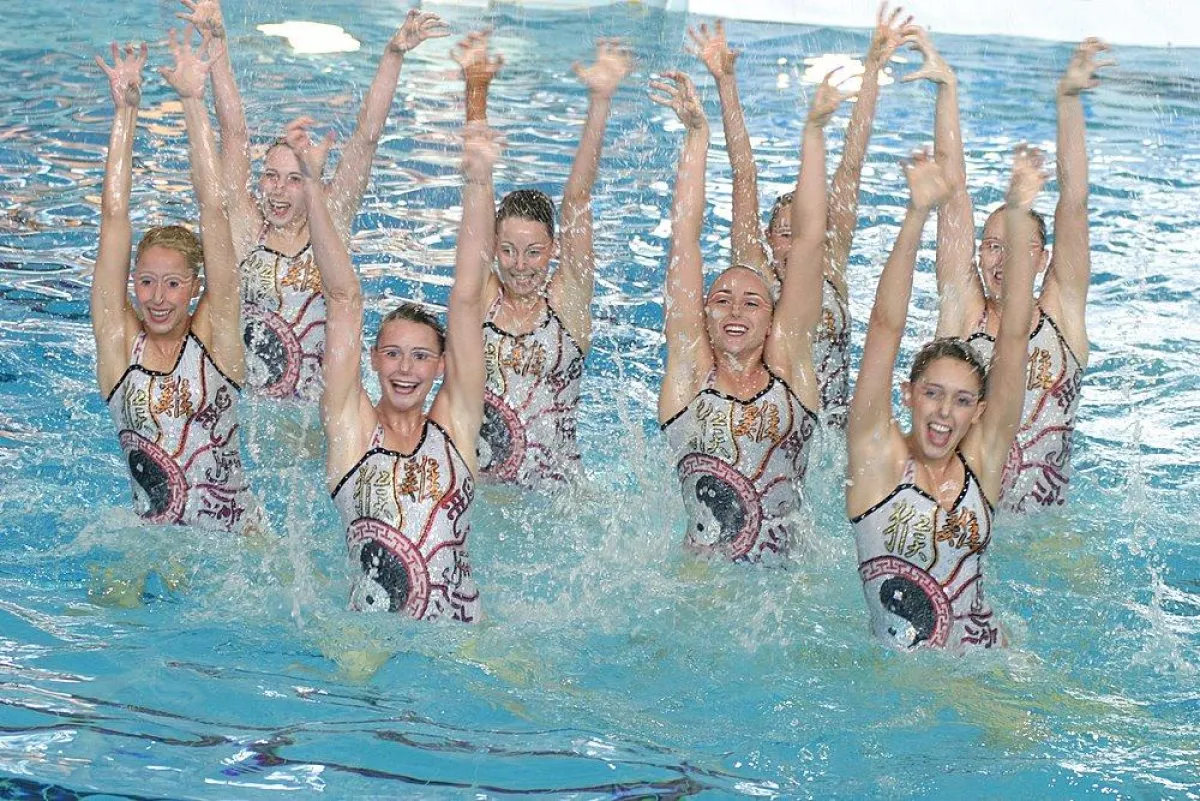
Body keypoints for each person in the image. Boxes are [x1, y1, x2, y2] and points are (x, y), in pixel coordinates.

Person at [177, 0, 449, 402]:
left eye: (293, 179)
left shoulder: (330, 226)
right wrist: (217, 40)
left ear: (311, 185)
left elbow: (366, 138)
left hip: (320, 409)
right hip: (253, 405)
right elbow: (233, 133)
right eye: (270, 176)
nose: (279, 189)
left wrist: (393, 55)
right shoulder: (248, 230)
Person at [292, 108, 495, 621]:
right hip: (369, 639)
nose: (406, 369)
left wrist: (479, 180)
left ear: (442, 367)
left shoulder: (457, 426)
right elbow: (342, 298)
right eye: (394, 353)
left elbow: (467, 299)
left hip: (461, 635)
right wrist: (313, 186)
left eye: (421, 356)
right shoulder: (352, 429)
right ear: (375, 360)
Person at [846, 145, 1046, 651]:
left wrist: (1019, 215)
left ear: (979, 412)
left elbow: (1015, 337)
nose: (943, 412)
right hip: (910, 683)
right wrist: (916, 215)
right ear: (909, 395)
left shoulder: (982, 462)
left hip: (990, 663)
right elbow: (884, 328)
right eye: (932, 394)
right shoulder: (878, 460)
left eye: (961, 401)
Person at [651, 69, 850, 564]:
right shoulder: (689, 377)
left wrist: (814, 132)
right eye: (721, 299)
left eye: (752, 301)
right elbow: (685, 240)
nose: (735, 308)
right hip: (701, 586)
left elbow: (806, 243)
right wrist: (697, 136)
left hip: (785, 591)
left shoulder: (792, 377)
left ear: (774, 320)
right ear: (702, 315)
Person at [912, 30, 1113, 513]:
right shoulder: (964, 318)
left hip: (1046, 533)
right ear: (980, 255)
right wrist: (948, 89)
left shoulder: (1063, 314)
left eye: (1020, 248)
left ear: (1043, 259)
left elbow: (1075, 202)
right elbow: (952, 197)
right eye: (993, 247)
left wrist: (1067, 100)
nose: (1004, 260)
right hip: (965, 520)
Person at [688, 5, 910, 427]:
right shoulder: (756, 277)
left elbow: (850, 166)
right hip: (772, 428)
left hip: (833, 433)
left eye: (804, 233)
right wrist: (725, 81)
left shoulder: (830, 266)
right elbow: (743, 177)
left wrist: (873, 69)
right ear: (769, 238)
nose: (794, 244)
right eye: (786, 234)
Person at [92, 30, 257, 532]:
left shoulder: (216, 342)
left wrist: (191, 101)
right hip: (151, 538)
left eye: (171, 285)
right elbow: (114, 217)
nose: (157, 299)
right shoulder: (120, 347)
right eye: (144, 283)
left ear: (194, 287)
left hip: (236, 546)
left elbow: (215, 210)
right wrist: (126, 113)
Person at [456, 32, 633, 489]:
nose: (520, 265)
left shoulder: (567, 302)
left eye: (534, 252)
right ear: (494, 247)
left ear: (553, 250)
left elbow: (577, 198)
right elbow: (478, 186)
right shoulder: (482, 297)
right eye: (509, 250)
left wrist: (601, 100)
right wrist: (476, 88)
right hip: (482, 493)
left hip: (557, 500)